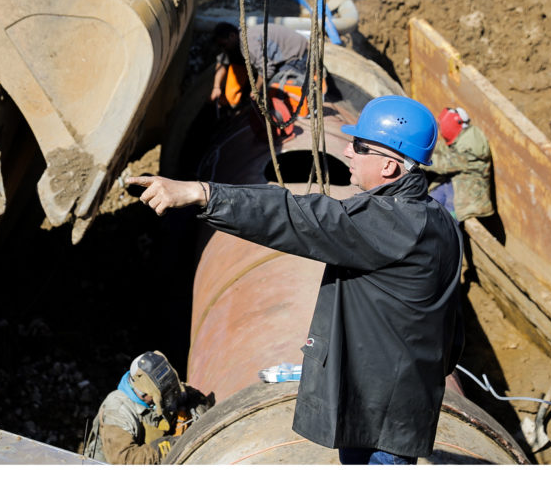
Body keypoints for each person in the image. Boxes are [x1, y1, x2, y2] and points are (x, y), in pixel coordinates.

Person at [126, 95, 464, 465]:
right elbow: (450, 325)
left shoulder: (388, 224)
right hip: (397, 407)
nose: (348, 152)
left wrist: (202, 193)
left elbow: (297, 216)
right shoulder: (438, 220)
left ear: (389, 166)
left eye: (361, 146)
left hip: (378, 417)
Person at [83, 350, 213, 464]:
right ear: (143, 393)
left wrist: (197, 412)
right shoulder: (117, 411)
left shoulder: (162, 388)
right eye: (163, 396)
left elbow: (192, 396)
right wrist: (169, 446)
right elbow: (125, 460)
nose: (171, 398)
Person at [210, 22, 310, 108]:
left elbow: (267, 69)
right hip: (282, 55)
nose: (223, 48)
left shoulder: (248, 44)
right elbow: (222, 62)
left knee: (275, 88)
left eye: (223, 45)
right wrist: (216, 87)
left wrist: (256, 90)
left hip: (297, 55)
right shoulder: (235, 42)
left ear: (232, 36)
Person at [428, 106, 494, 222]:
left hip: (467, 199)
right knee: (428, 205)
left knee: (445, 224)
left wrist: (418, 156)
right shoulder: (462, 137)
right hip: (452, 185)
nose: (440, 129)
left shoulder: (470, 148)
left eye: (441, 125)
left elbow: (443, 164)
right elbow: (443, 148)